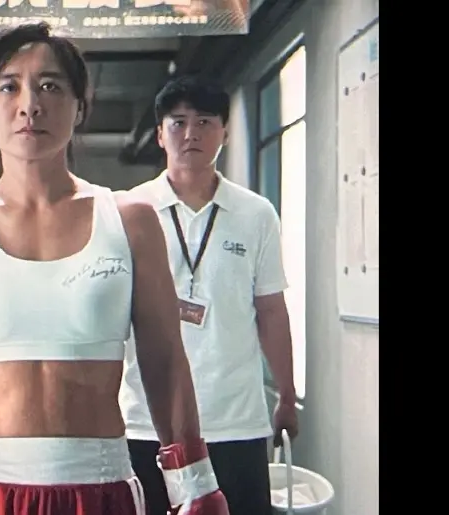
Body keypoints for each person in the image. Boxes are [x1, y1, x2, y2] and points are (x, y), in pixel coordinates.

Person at [0, 23, 230, 515]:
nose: (30, 104)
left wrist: (196, 487)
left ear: (79, 107)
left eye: (50, 86)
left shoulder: (131, 220)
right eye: (9, 86)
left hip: (99, 485)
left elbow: (164, 364)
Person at [118, 75, 299, 515]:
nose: (191, 133)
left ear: (225, 132)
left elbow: (271, 310)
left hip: (235, 420)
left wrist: (287, 394)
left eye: (204, 122)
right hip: (145, 420)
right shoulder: (129, 211)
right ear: (160, 134)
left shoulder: (255, 214)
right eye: (178, 122)